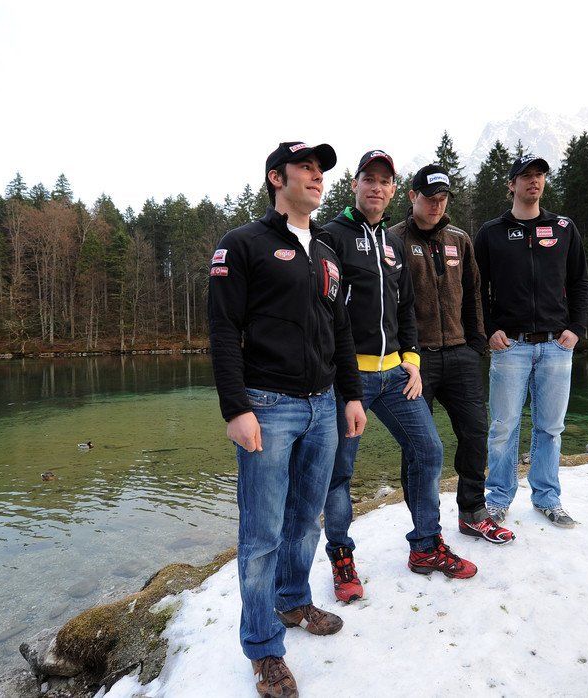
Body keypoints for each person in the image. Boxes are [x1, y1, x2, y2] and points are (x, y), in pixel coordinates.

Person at [208, 141, 368, 697]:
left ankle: (294, 602)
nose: (317, 176)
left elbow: (340, 330)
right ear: (277, 178)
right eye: (306, 167)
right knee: (261, 533)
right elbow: (223, 330)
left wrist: (351, 396)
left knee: (305, 520)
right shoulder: (242, 244)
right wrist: (236, 407)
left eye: (321, 169)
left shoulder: (325, 249)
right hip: (268, 407)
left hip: (323, 405)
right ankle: (263, 647)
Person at [321, 150, 476, 605]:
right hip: (348, 380)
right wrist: (339, 374)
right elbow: (323, 312)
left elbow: (406, 307)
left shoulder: (391, 244)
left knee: (428, 449)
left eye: (384, 181)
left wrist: (412, 359)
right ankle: (341, 557)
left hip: (394, 376)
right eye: (368, 179)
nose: (376, 187)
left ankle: (425, 545)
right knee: (339, 472)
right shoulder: (330, 236)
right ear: (354, 184)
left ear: (393, 190)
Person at [391, 164, 515, 545]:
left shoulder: (459, 239)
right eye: (430, 198)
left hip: (461, 354)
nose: (436, 205)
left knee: (475, 433)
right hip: (416, 361)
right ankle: (424, 526)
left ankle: (473, 512)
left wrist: (476, 344)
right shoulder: (393, 240)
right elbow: (387, 302)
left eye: (443, 198)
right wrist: (400, 354)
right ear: (412, 196)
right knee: (419, 446)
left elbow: (474, 293)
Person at [474, 154, 588, 528]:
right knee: (503, 427)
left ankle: (547, 497)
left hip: (557, 345)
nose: (534, 180)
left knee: (551, 427)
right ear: (511, 185)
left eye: (539, 174)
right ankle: (498, 499)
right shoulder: (491, 233)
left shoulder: (563, 228)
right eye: (525, 175)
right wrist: (490, 329)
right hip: (511, 345)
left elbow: (580, 282)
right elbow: (475, 289)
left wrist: (577, 328)